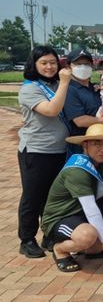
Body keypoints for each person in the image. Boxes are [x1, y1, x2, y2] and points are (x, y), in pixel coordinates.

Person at [41, 124, 103, 272]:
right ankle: (60, 249)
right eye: (97, 144)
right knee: (87, 236)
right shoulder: (77, 170)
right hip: (62, 217)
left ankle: (92, 248)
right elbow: (90, 209)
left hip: (82, 213)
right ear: (85, 145)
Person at [17, 46, 72, 258]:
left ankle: (49, 235)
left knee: (53, 197)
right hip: (37, 151)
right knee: (33, 197)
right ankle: (27, 239)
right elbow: (51, 110)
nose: (50, 67)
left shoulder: (56, 84)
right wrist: (65, 83)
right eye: (44, 63)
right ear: (34, 65)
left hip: (60, 150)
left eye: (53, 62)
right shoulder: (29, 89)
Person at [63, 49, 103, 156]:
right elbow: (80, 120)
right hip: (83, 147)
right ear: (68, 66)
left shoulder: (97, 88)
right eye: (78, 64)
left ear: (92, 66)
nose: (83, 67)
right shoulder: (69, 89)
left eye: (87, 64)